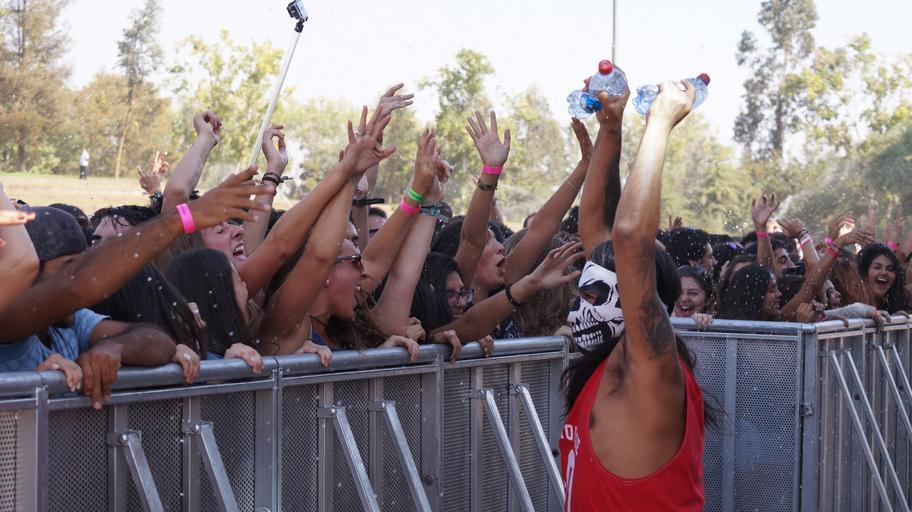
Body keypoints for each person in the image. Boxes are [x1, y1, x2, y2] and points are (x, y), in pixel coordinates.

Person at [857, 244, 910, 313]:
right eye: (877, 267)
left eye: (890, 269)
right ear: (864, 273)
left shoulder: (897, 304)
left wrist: (895, 318)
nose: (884, 272)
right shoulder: (849, 304)